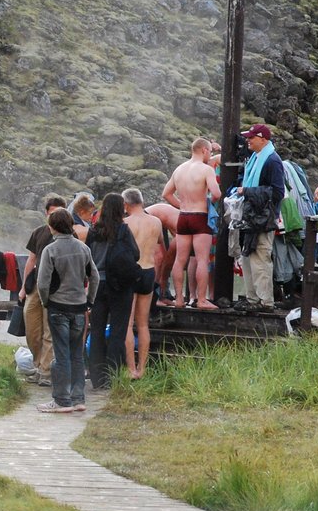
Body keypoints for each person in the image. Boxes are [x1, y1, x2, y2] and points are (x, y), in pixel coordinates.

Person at [35, 209, 98, 413]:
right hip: (79, 308)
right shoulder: (83, 248)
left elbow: (43, 283)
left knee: (61, 355)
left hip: (58, 308)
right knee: (76, 355)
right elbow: (94, 277)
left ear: (51, 227)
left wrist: (46, 302)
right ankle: (78, 398)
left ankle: (62, 400)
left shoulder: (50, 250)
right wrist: (89, 301)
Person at [162, 137, 222, 309]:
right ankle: (202, 300)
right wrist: (207, 202)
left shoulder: (179, 169)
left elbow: (166, 194)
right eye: (210, 151)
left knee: (180, 260)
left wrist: (182, 206)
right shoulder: (205, 169)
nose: (210, 155)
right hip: (200, 216)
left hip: (184, 217)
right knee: (203, 260)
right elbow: (216, 193)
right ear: (204, 150)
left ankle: (179, 299)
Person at [86, 193, 137, 389]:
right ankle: (112, 376)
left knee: (97, 330)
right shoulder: (123, 230)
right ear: (119, 209)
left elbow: (86, 257)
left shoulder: (93, 231)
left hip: (97, 286)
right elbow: (135, 254)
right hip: (120, 287)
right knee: (118, 332)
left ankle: (97, 378)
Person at [237, 123, 285, 310]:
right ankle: (252, 299)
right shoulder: (256, 159)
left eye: (251, 137)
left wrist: (247, 191)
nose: (247, 140)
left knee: (261, 259)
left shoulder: (272, 161)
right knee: (248, 258)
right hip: (252, 217)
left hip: (263, 220)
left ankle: (265, 302)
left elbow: (278, 192)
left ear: (263, 139)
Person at [19, 194, 66, 386]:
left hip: (56, 288)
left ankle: (45, 372)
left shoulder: (68, 235)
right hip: (36, 285)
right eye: (52, 213)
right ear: (46, 213)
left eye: (59, 213)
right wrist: (23, 287)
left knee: (50, 329)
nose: (55, 217)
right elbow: (31, 259)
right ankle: (39, 364)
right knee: (31, 326)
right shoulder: (38, 232)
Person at [122, 189, 162, 379]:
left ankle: (131, 370)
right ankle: (143, 368)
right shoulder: (155, 222)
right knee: (143, 324)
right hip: (148, 271)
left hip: (130, 272)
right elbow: (161, 243)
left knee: (128, 324)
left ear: (126, 204)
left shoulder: (125, 223)